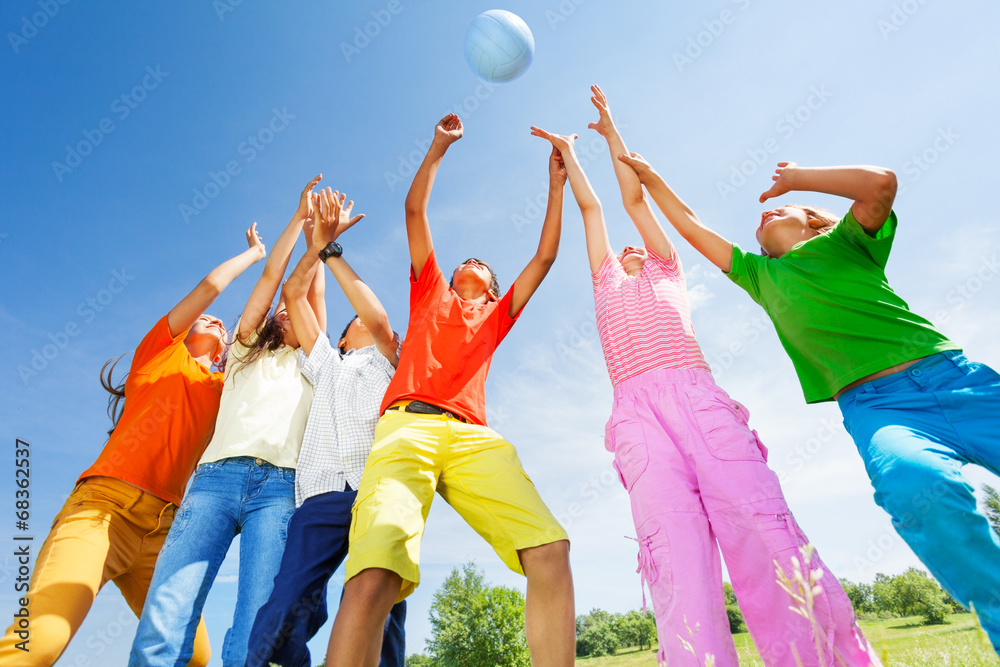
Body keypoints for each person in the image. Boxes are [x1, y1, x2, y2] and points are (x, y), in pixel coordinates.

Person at [529, 86, 880, 667]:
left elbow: (634, 200)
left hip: (697, 397)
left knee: (761, 531)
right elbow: (595, 212)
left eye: (639, 243)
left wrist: (612, 132)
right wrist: (567, 159)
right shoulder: (604, 280)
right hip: (638, 418)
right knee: (675, 555)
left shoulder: (667, 266)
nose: (631, 248)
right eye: (623, 248)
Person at [618, 145, 1000, 655]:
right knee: (912, 487)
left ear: (817, 222)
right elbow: (688, 225)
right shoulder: (760, 275)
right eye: (762, 215)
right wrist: (652, 175)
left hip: (956, 381)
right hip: (879, 410)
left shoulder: (848, 242)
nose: (765, 213)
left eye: (782, 209)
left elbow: (879, 183)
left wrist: (799, 178)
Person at [325, 113, 575, 667]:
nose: (472, 262)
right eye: (468, 259)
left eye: (484, 265)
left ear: (491, 290)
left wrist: (555, 184)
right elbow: (415, 211)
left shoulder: (496, 317)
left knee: (550, 550)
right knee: (374, 576)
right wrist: (438, 147)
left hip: (471, 437)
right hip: (405, 427)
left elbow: (546, 257)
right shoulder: (430, 292)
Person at [0, 225, 266, 666]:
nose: (216, 319)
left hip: (165, 532)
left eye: (221, 323)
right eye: (207, 318)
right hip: (103, 510)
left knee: (196, 658)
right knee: (39, 641)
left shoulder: (223, 388)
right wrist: (254, 254)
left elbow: (257, 326)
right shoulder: (159, 355)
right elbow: (209, 288)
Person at [129, 176, 354, 667]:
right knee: (168, 606)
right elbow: (273, 278)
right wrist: (299, 220)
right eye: (283, 310)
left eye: (300, 310)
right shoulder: (245, 352)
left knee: (254, 624)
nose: (287, 309)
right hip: (214, 481)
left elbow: (306, 291)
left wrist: (319, 246)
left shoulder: (317, 366)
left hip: (280, 489)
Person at [245, 187, 406, 667]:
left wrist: (334, 250)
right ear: (339, 335)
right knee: (289, 596)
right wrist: (316, 245)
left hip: (379, 489)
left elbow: (379, 320)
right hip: (320, 493)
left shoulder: (389, 360)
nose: (376, 322)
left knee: (385, 603)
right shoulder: (325, 362)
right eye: (353, 318)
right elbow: (294, 292)